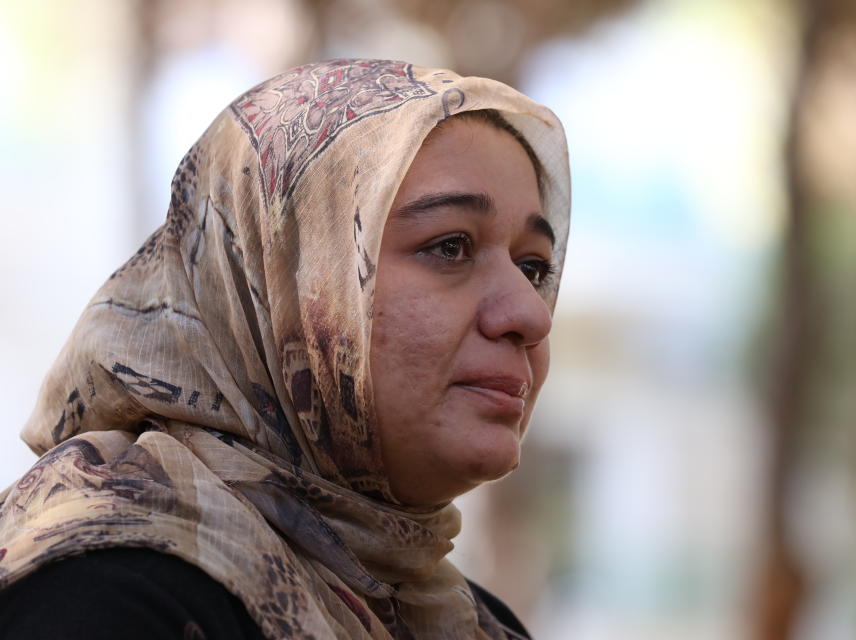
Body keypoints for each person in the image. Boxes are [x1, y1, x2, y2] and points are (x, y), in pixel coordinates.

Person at [0, 58, 569, 639]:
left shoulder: (472, 623)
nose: (528, 315)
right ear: (277, 284)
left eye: (533, 267)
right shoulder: (103, 599)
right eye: (449, 246)